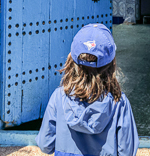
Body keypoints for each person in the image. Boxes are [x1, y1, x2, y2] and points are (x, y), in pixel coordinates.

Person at [36, 23, 139, 156]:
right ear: (111, 63)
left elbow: (45, 145)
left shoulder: (59, 97)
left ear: (72, 59)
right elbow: (127, 152)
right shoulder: (119, 102)